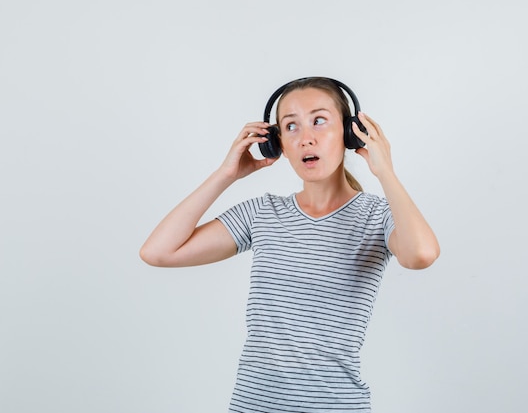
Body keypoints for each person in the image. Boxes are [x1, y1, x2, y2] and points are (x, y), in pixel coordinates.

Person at [140, 77, 440, 413]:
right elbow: (158, 252)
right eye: (291, 126)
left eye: (319, 120)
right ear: (276, 143)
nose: (305, 137)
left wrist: (386, 171)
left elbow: (421, 255)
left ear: (350, 131)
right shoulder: (263, 213)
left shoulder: (376, 216)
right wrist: (225, 174)